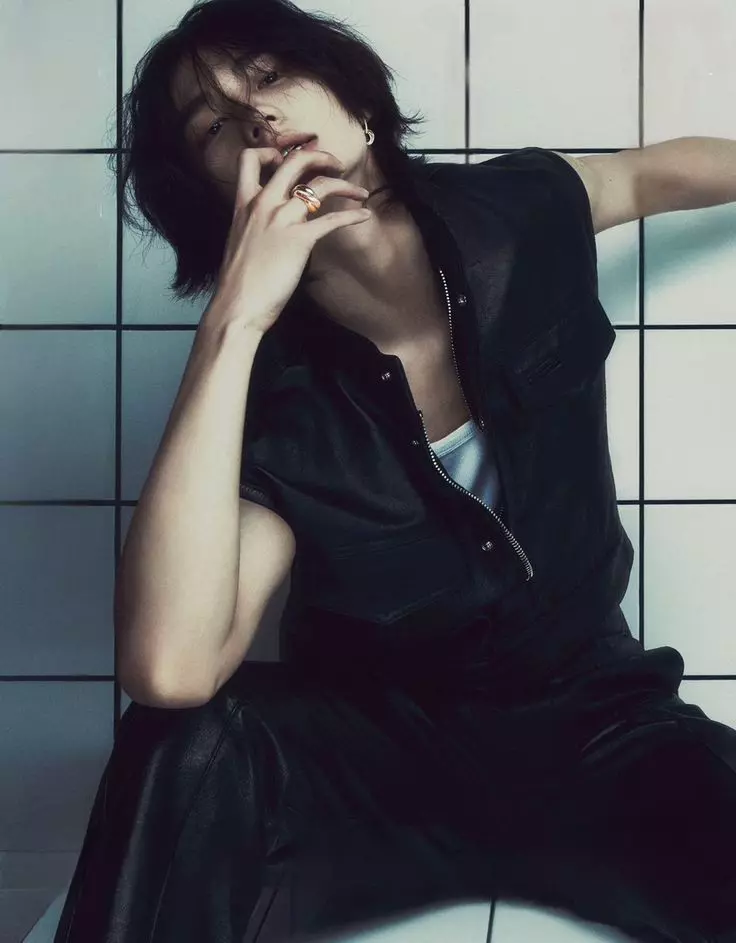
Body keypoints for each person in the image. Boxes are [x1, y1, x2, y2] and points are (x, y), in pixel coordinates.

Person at [53, 1, 736, 941]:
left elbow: (650, 173)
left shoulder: (518, 216)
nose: (256, 116)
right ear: (210, 194)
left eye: (269, 76)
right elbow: (171, 666)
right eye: (212, 125)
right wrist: (235, 320)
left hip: (595, 723)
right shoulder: (267, 392)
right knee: (184, 741)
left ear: (355, 100)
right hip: (379, 764)